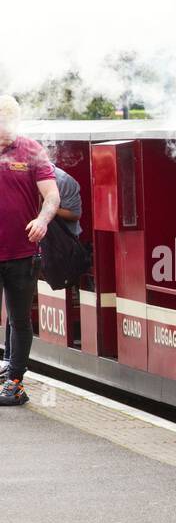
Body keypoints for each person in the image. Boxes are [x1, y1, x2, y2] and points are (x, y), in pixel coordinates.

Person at [0, 95, 60, 406]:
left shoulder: (31, 150)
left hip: (22, 253)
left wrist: (42, 218)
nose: (7, 133)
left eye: (10, 126)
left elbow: (52, 196)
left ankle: (15, 382)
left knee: (20, 319)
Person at [2, 164, 81, 379]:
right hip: (20, 247)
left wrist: (44, 211)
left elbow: (75, 214)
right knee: (15, 310)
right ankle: (9, 360)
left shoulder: (64, 181)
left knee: (19, 313)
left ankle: (14, 373)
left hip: (57, 245)